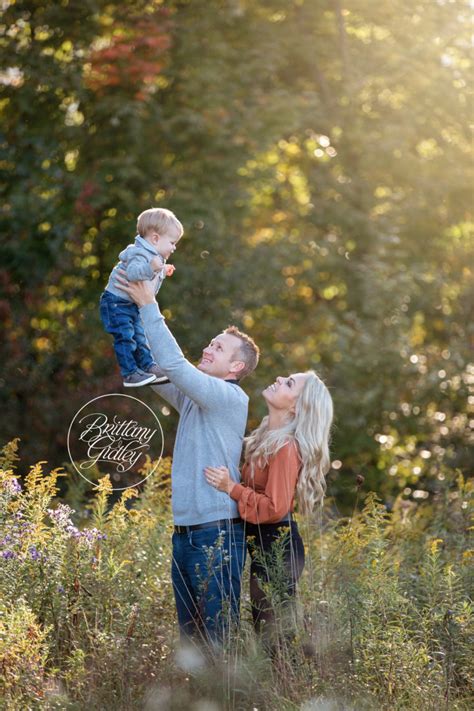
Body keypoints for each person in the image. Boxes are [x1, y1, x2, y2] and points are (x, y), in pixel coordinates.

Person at [115, 274, 260, 647]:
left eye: (220, 348)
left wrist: (150, 305)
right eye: (211, 342)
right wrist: (128, 310)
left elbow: (176, 366)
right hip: (185, 535)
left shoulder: (229, 398)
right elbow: (155, 369)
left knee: (219, 642)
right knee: (192, 643)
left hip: (217, 534)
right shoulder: (195, 398)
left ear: (235, 369)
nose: (209, 348)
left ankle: (231, 703)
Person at [204, 370, 333, 653]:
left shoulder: (286, 447)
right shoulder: (264, 437)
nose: (279, 379)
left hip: (278, 543)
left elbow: (275, 507)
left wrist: (231, 487)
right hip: (262, 539)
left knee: (272, 632)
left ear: (297, 407)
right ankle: (283, 686)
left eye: (289, 383)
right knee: (266, 626)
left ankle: (288, 689)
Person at [100, 207, 183, 387]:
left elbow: (149, 277)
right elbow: (133, 273)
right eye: (172, 242)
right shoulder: (139, 253)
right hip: (116, 303)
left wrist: (162, 269)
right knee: (125, 336)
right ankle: (130, 373)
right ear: (155, 239)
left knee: (140, 335)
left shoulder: (154, 257)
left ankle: (147, 365)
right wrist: (152, 268)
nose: (174, 247)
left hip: (130, 304)